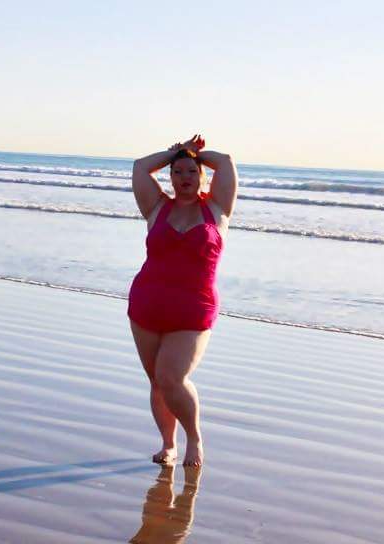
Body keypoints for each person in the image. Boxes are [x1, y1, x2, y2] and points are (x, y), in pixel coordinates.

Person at [127, 134, 238, 466]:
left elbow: (226, 162)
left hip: (194, 309)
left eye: (192, 171)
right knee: (157, 382)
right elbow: (140, 167)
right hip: (147, 303)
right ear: (170, 177)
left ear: (202, 176)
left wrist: (194, 154)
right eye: (177, 172)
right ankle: (168, 445)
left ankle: (194, 438)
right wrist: (174, 152)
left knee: (171, 377)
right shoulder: (157, 207)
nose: (185, 177)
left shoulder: (217, 208)